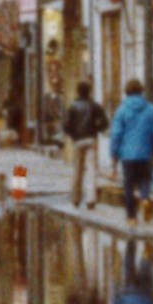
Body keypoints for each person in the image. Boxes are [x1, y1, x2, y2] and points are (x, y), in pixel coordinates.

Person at [108, 77, 153, 224]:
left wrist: (114, 154)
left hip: (127, 154)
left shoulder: (121, 110)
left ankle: (131, 217)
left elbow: (116, 134)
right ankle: (145, 199)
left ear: (126, 92)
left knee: (128, 184)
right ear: (142, 91)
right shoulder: (151, 109)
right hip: (145, 152)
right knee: (144, 179)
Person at [62, 79, 109, 208]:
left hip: (78, 140)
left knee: (78, 169)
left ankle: (76, 198)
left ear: (78, 91)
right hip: (91, 139)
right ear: (89, 91)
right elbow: (105, 123)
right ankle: (90, 199)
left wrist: (73, 136)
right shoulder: (95, 106)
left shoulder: (73, 106)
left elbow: (65, 126)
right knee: (91, 169)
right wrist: (96, 129)